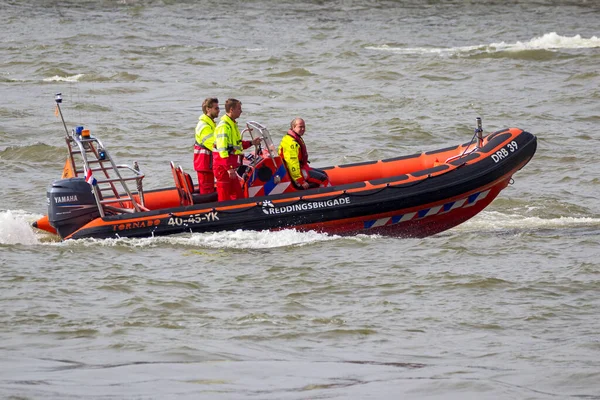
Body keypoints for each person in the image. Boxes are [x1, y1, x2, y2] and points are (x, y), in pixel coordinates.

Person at [212, 98, 260, 202]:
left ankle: (241, 211)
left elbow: (236, 145)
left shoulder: (232, 124)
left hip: (230, 165)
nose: (241, 111)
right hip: (223, 167)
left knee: (238, 193)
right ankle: (225, 214)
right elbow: (222, 149)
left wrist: (252, 143)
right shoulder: (224, 126)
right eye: (239, 109)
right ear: (231, 110)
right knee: (224, 194)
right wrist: (229, 168)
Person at [278, 118, 329, 189]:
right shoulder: (291, 144)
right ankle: (323, 197)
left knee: (324, 174)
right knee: (323, 179)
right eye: (300, 127)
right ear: (293, 127)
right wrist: (299, 180)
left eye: (304, 127)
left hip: (301, 167)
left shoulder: (292, 138)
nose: (303, 129)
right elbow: (292, 163)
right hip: (297, 172)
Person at [193, 97, 219, 194]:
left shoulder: (210, 124)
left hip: (206, 164)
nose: (219, 111)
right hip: (204, 164)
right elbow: (214, 145)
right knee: (207, 191)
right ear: (208, 109)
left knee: (208, 188)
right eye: (216, 108)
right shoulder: (205, 126)